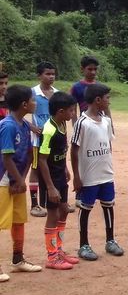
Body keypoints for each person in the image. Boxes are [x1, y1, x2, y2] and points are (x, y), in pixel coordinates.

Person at [71, 83, 124, 260]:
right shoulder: (82, 123)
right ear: (98, 100)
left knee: (108, 205)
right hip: (89, 176)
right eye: (107, 98)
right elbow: (74, 150)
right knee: (85, 209)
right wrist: (77, 177)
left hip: (105, 173)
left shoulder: (106, 121)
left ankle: (110, 240)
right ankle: (83, 244)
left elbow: (107, 143)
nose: (109, 101)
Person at [0, 85, 43, 281]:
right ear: (25, 104)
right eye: (33, 100)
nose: (36, 103)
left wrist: (22, 179)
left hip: (16, 179)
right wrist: (17, 179)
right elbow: (6, 158)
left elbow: (27, 155)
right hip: (3, 179)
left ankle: (18, 259)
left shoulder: (25, 125)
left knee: (18, 219)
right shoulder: (8, 126)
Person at [37, 92, 79, 269]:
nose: (73, 114)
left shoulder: (62, 124)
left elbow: (59, 153)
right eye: (71, 111)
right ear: (61, 111)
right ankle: (51, 256)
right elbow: (42, 160)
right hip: (51, 180)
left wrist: (66, 169)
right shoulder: (49, 130)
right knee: (53, 214)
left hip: (60, 176)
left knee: (64, 211)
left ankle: (59, 250)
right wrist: (50, 187)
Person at [29, 62, 58, 218]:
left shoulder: (57, 94)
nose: (51, 76)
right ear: (39, 75)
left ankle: (54, 200)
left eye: (53, 73)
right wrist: (31, 126)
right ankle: (34, 204)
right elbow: (16, 112)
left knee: (54, 165)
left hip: (53, 138)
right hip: (37, 139)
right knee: (35, 168)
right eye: (47, 74)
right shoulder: (32, 93)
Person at [69, 56, 102, 127]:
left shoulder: (100, 87)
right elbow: (73, 111)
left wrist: (110, 127)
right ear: (82, 69)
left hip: (100, 123)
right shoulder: (76, 87)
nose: (93, 72)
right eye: (90, 69)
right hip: (85, 124)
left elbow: (106, 109)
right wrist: (76, 127)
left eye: (95, 69)